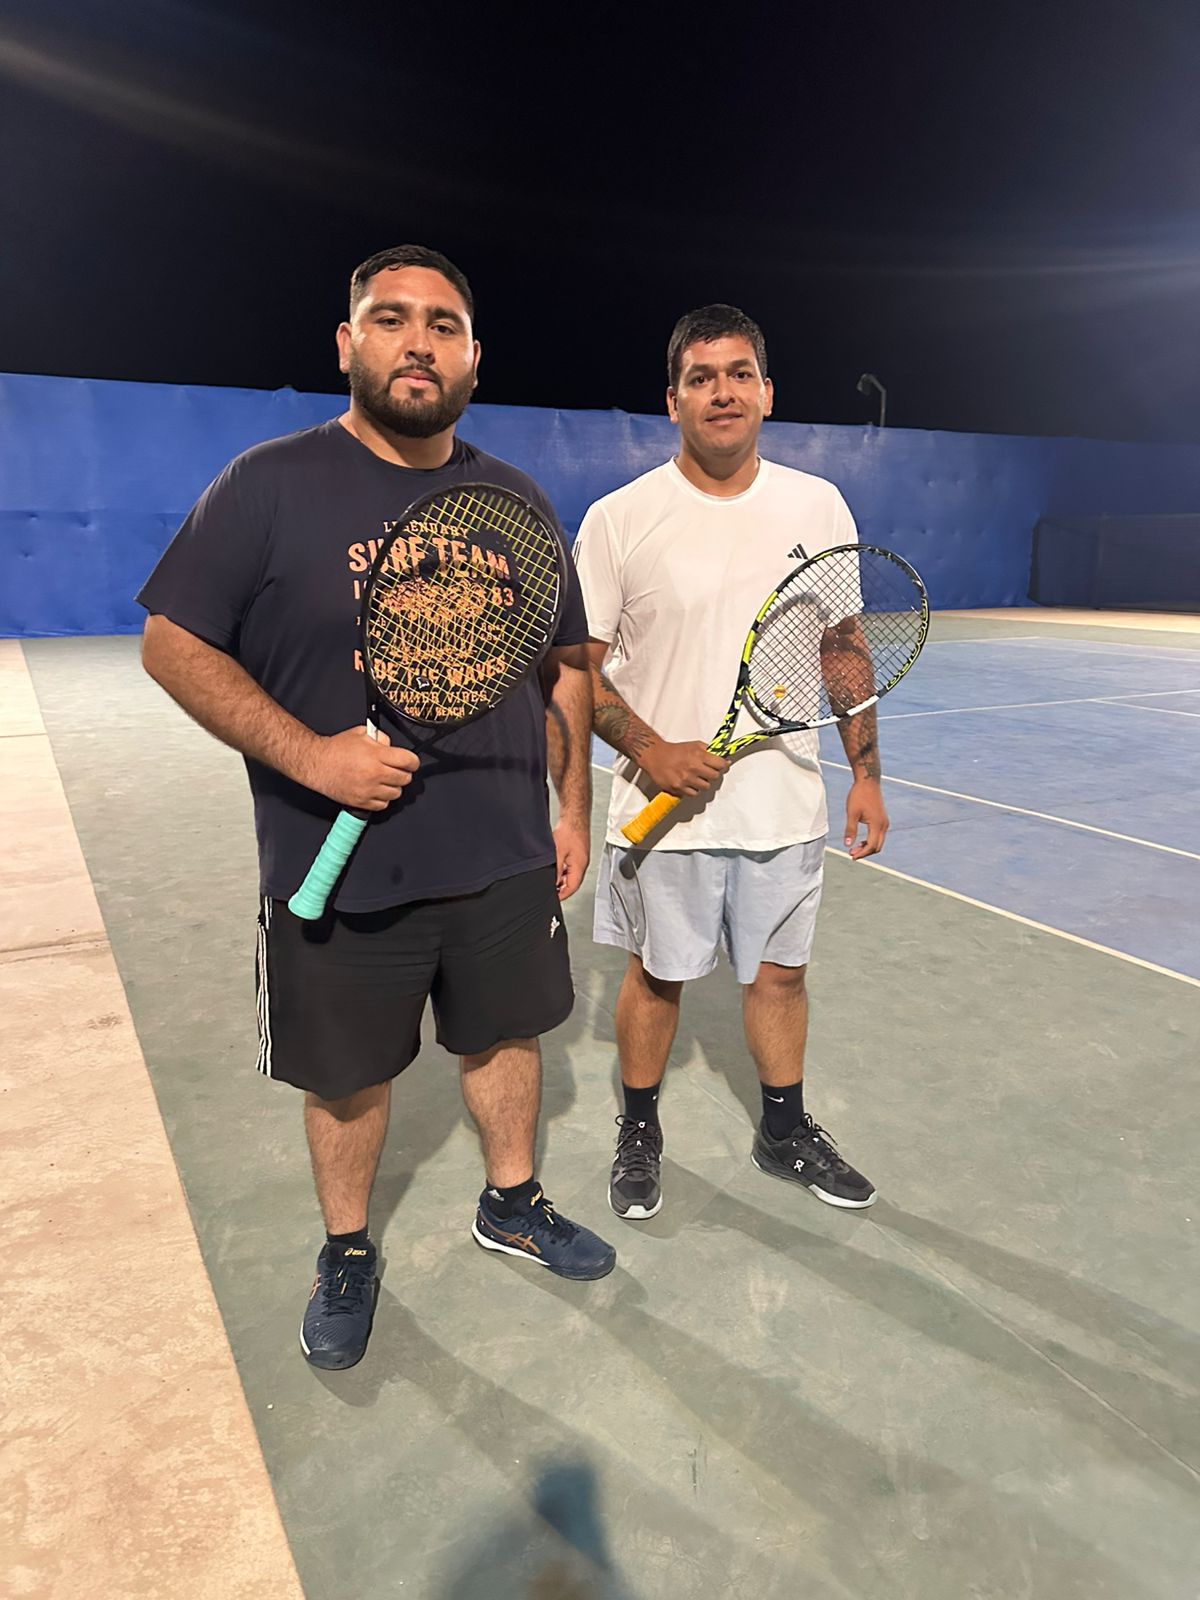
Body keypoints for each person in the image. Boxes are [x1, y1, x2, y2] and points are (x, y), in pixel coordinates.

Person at [138, 244, 615, 1371]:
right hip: (340, 867)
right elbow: (171, 643)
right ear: (348, 344)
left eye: (443, 325)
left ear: (473, 358)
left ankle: (513, 1200)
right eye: (392, 319)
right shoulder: (267, 484)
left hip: (502, 855)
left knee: (506, 1039)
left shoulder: (513, 499)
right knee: (347, 1077)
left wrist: (573, 808)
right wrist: (311, 757)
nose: (419, 342)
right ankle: (347, 1249)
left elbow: (565, 666)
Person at [573, 303, 886, 1222]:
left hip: (785, 807)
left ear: (767, 393)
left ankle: (784, 1130)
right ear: (672, 400)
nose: (723, 392)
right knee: (656, 974)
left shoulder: (816, 506)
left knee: (781, 976)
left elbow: (843, 647)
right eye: (702, 378)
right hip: (661, 814)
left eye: (739, 374)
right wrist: (651, 750)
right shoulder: (620, 519)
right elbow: (577, 677)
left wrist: (865, 771)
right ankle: (639, 1129)